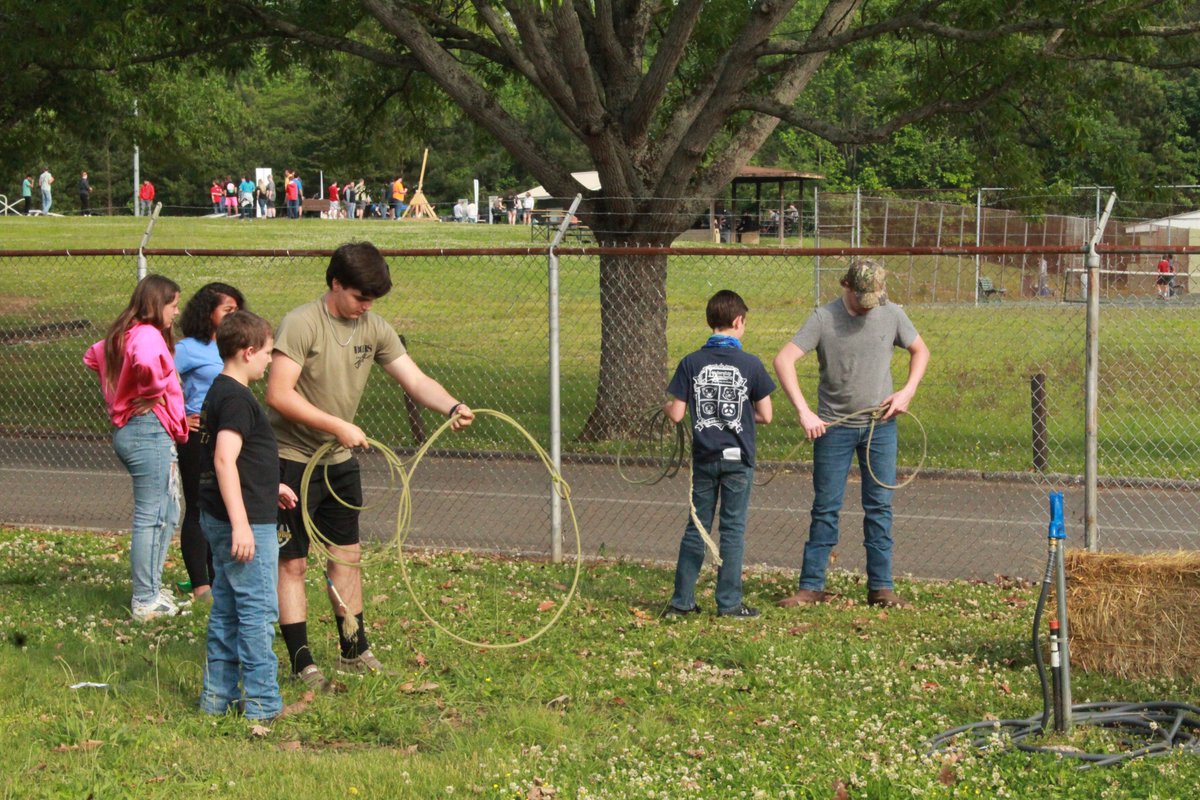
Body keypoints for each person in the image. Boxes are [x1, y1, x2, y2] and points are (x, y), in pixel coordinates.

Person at [266, 242, 475, 691]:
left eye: (373, 299)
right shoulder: (301, 324)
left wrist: (451, 405)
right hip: (290, 461)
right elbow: (279, 394)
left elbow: (415, 379)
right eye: (361, 296)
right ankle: (302, 661)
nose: (367, 306)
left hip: (338, 463)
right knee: (293, 564)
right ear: (336, 283)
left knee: (348, 558)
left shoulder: (374, 326)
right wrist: (337, 425)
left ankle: (354, 651)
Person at [774, 260, 929, 609]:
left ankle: (881, 588)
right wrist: (804, 412)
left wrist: (907, 392)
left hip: (881, 426)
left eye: (874, 298)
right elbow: (784, 360)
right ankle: (811, 587)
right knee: (826, 508)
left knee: (879, 507)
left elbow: (921, 350)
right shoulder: (823, 318)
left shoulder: (892, 314)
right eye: (862, 299)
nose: (868, 305)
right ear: (846, 285)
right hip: (834, 428)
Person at [197, 310, 299, 722]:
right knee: (257, 611)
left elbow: (239, 459)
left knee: (226, 608)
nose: (271, 361)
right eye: (269, 353)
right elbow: (224, 459)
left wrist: (268, 486)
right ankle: (262, 704)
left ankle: (217, 699)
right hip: (240, 524)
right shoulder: (238, 399)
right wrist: (242, 523)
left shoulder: (220, 391)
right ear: (248, 351)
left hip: (223, 515)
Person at [662, 290, 774, 619]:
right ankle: (729, 603)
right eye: (744, 324)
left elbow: (678, 414)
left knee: (697, 527)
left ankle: (682, 601)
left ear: (711, 321)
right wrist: (739, 414)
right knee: (733, 530)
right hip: (738, 460)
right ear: (738, 321)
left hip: (705, 458)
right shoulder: (751, 364)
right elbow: (765, 414)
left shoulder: (691, 363)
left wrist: (669, 405)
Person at [83, 275, 189, 621]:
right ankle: (145, 599)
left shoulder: (123, 334)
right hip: (147, 432)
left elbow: (93, 355)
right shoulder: (146, 334)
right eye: (173, 305)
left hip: (139, 432)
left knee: (167, 511)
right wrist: (151, 390)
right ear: (157, 304)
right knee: (153, 516)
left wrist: (121, 391)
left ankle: (153, 589)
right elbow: (144, 363)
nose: (176, 312)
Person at [175, 283, 247, 603]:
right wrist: (179, 415)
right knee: (198, 507)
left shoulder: (236, 347)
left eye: (237, 310)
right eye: (227, 310)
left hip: (229, 436)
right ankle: (201, 585)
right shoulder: (190, 348)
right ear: (208, 313)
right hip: (196, 438)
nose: (234, 315)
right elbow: (157, 379)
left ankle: (219, 578)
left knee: (223, 506)